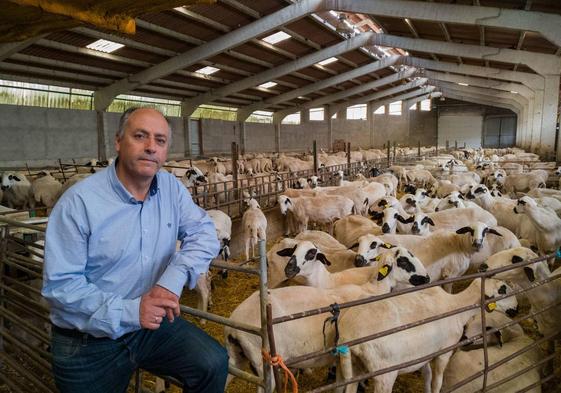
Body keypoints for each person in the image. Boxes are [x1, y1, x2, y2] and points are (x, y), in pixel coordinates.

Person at [42, 107, 228, 393]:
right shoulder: (79, 203)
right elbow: (62, 287)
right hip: (88, 341)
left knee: (213, 362)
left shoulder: (170, 188)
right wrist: (132, 310)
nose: (151, 147)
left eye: (160, 140)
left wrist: (173, 280)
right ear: (118, 141)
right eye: (140, 136)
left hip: (149, 325)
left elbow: (203, 231)